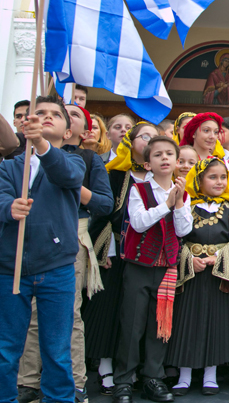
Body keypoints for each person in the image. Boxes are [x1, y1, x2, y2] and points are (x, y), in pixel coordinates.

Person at [16, 104, 113, 403]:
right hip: (28, 240)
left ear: (73, 132)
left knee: (66, 316)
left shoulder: (85, 159)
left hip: (70, 237)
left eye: (63, 115)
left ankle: (74, 383)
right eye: (41, 111)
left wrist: (74, 187)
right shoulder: (19, 161)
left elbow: (104, 204)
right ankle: (28, 380)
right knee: (30, 314)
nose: (49, 116)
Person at [0, 97, 85, 403]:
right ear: (25, 125)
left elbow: (68, 177)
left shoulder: (72, 162)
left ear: (66, 131)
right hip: (11, 268)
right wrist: (9, 207)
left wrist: (42, 147)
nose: (46, 117)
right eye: (40, 113)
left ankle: (58, 399)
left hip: (56, 268)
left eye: (55, 115)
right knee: (6, 347)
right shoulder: (9, 166)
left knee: (56, 348)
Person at [113, 136, 192, 403]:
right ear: (148, 163)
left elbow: (183, 230)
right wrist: (166, 205)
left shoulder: (184, 193)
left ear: (177, 161)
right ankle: (124, 379)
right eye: (158, 155)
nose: (165, 158)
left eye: (170, 154)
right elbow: (138, 223)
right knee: (132, 324)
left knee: (160, 325)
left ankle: (153, 377)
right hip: (139, 267)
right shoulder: (139, 190)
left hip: (167, 268)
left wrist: (179, 203)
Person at [85, 122, 160, 398]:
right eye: (144, 136)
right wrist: (101, 249)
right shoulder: (115, 174)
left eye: (155, 137)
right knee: (110, 309)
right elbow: (103, 215)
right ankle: (106, 366)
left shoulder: (163, 177)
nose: (150, 141)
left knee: (140, 317)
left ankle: (140, 370)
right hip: (117, 251)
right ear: (131, 142)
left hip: (152, 257)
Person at [167, 157, 229, 395]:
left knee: (216, 324)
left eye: (223, 177)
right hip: (192, 275)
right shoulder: (187, 204)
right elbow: (175, 237)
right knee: (188, 323)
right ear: (198, 180)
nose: (219, 182)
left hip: (218, 275)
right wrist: (189, 260)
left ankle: (211, 374)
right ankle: (184, 375)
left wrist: (218, 258)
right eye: (212, 177)